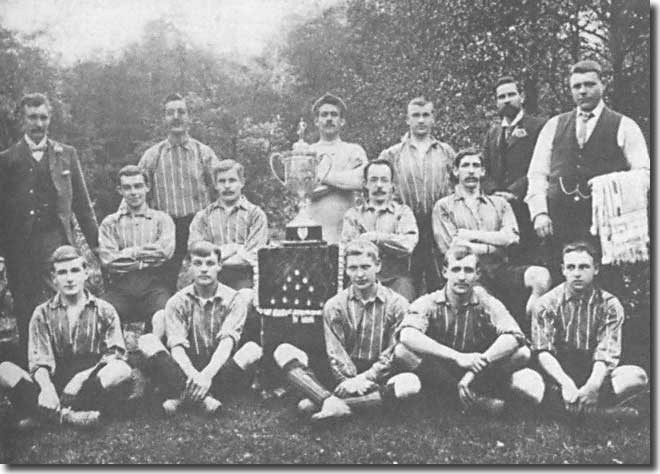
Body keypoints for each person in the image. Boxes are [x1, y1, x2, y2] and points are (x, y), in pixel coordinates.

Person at [525, 60, 650, 290]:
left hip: (602, 227)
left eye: (589, 84)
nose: (582, 91)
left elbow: (644, 174)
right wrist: (539, 213)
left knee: (604, 286)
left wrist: (608, 185)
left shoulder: (624, 125)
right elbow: (537, 173)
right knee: (559, 287)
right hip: (559, 224)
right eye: (577, 86)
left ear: (603, 85)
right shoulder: (554, 125)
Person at [0, 93, 98, 366]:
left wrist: (97, 245)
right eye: (32, 117)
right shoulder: (6, 160)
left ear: (50, 119)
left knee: (64, 295)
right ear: (22, 120)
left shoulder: (66, 154)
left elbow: (82, 204)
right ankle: (31, 367)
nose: (38, 123)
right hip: (19, 245)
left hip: (57, 240)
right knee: (24, 303)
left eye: (43, 117)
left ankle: (68, 361)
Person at [273, 240, 420, 421]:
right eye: (353, 268)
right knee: (284, 351)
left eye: (366, 267)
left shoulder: (398, 304)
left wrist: (364, 379)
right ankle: (344, 402)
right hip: (342, 376)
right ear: (346, 270)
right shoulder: (335, 305)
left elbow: (391, 353)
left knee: (411, 384)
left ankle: (327, 402)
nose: (359, 274)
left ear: (378, 266)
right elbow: (336, 354)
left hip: (379, 375)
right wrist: (348, 382)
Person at [396, 245, 544, 416]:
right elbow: (407, 334)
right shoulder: (429, 301)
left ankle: (455, 398)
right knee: (402, 352)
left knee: (523, 354)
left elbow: (514, 335)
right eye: (456, 269)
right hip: (440, 369)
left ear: (477, 274)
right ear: (445, 272)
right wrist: (457, 357)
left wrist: (474, 369)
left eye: (468, 270)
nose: (461, 277)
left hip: (480, 371)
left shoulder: (485, 300)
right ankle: (471, 400)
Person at [0, 246, 132, 429]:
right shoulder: (42, 313)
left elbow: (115, 353)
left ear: (86, 273)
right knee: (5, 370)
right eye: (62, 273)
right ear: (54, 278)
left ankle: (45, 416)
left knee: (121, 369)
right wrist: (47, 389)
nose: (69, 278)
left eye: (75, 270)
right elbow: (39, 361)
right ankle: (68, 416)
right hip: (56, 381)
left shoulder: (104, 310)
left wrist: (81, 378)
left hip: (91, 382)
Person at [136, 241, 262, 416]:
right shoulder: (176, 301)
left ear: (219, 266)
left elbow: (227, 344)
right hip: (186, 366)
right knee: (146, 340)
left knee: (252, 350)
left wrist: (206, 377)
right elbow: (177, 349)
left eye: (210, 264)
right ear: (189, 267)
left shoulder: (234, 299)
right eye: (198, 263)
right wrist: (195, 376)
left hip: (220, 368)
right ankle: (204, 399)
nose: (204, 269)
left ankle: (183, 397)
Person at [433, 149, 551, 333]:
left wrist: (469, 235)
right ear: (456, 171)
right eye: (465, 166)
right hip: (468, 272)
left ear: (483, 172)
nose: (471, 171)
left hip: (500, 268)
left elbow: (511, 238)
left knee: (541, 277)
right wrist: (494, 246)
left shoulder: (499, 203)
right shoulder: (444, 206)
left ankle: (532, 330)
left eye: (476, 166)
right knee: (481, 296)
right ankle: (505, 338)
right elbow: (453, 249)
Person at [531, 241, 648, 423]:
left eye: (584, 267)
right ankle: (597, 415)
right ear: (563, 270)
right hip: (558, 374)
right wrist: (566, 383)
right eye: (571, 267)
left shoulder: (610, 305)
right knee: (525, 384)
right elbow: (543, 351)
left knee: (637, 376)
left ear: (596, 269)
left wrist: (593, 386)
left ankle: (565, 412)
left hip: (593, 371)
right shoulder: (546, 303)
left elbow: (606, 351)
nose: (577, 273)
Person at [138, 93, 221, 292]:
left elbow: (222, 189)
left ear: (189, 117)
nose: (176, 117)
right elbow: (135, 192)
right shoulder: (153, 156)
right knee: (163, 284)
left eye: (181, 112)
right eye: (170, 113)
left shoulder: (204, 153)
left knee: (205, 278)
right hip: (166, 228)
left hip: (199, 226)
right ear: (164, 119)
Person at [378, 97, 456, 295]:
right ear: (407, 120)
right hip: (405, 229)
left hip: (437, 229)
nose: (421, 120)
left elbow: (457, 191)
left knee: (439, 284)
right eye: (416, 115)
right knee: (406, 286)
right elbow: (380, 190)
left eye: (425, 115)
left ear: (433, 119)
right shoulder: (392, 154)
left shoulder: (446, 152)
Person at [99, 165, 175, 332]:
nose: (133, 192)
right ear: (120, 190)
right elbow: (109, 260)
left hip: (154, 286)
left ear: (147, 187)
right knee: (101, 312)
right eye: (127, 187)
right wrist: (142, 257)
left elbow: (164, 253)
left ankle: (155, 352)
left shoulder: (162, 220)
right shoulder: (110, 223)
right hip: (121, 287)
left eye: (138, 186)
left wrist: (128, 253)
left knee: (165, 314)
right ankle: (115, 353)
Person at [481, 76, 546, 264]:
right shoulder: (493, 133)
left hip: (528, 207)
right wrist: (495, 193)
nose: (507, 100)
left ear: (522, 97)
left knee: (532, 260)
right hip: (500, 211)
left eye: (511, 94)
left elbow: (542, 166)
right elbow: (484, 169)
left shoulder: (538, 127)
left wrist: (513, 192)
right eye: (501, 97)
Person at [341, 159, 418, 301]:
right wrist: (391, 243)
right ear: (365, 184)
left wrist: (375, 238)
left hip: (396, 280)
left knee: (404, 306)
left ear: (392, 185)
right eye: (373, 180)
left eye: (384, 180)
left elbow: (407, 245)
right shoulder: (353, 215)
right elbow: (349, 249)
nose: (379, 186)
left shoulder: (403, 213)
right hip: (361, 279)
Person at [188, 159, 268, 291]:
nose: (227, 186)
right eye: (222, 181)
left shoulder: (256, 215)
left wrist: (215, 256)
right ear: (215, 185)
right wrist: (235, 248)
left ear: (242, 182)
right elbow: (196, 251)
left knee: (244, 298)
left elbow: (252, 255)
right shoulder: (203, 217)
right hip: (209, 278)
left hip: (245, 278)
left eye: (232, 180)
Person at [308, 93, 368, 245]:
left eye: (334, 115)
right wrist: (345, 177)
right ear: (316, 121)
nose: (329, 118)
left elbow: (361, 181)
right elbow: (307, 190)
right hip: (314, 231)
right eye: (324, 115)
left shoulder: (354, 150)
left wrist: (320, 175)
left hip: (347, 231)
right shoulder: (307, 152)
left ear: (342, 121)